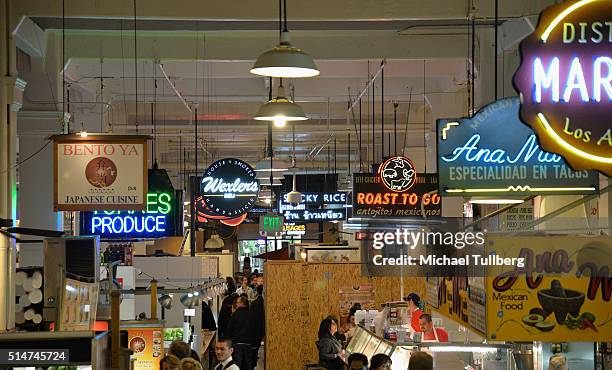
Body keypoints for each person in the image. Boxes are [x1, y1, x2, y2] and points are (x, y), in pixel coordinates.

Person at [226, 295, 256, 370]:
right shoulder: (252, 315)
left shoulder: (235, 315)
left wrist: (228, 343)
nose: (236, 304)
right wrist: (255, 343)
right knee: (248, 366)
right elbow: (255, 329)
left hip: (237, 344)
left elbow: (229, 329)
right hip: (249, 344)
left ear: (242, 303)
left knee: (237, 366)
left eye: (237, 302)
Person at [250, 284, 265, 365]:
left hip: (255, 329)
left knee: (255, 348)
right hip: (263, 328)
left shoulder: (253, 303)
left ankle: (254, 361)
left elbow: (251, 317)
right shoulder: (265, 303)